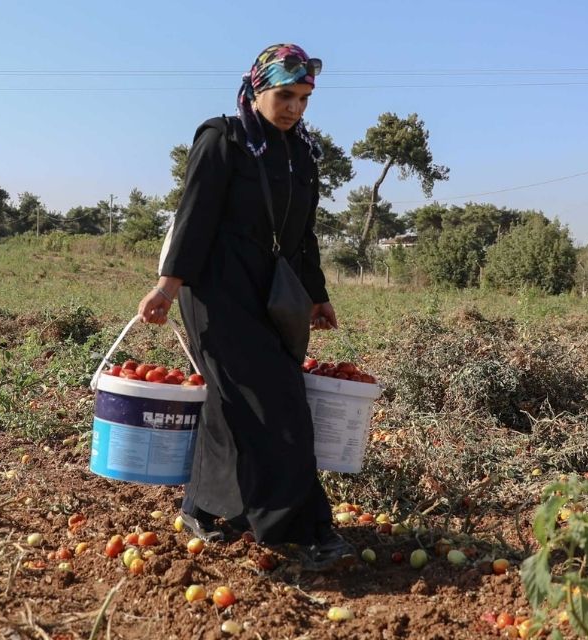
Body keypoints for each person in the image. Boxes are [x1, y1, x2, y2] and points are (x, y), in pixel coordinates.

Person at [137, 43, 350, 571]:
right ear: (257, 88)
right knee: (279, 401)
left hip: (273, 294)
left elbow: (302, 235)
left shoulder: (302, 153)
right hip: (215, 290)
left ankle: (203, 508)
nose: (295, 108)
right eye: (286, 96)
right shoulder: (223, 139)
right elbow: (195, 217)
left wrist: (317, 293)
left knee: (230, 401)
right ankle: (300, 527)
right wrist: (166, 288)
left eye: (304, 98)